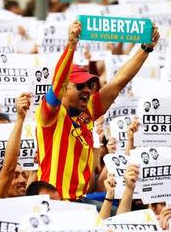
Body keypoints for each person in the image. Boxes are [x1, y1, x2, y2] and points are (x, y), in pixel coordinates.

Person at [35, 21, 159, 200]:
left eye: (89, 84)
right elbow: (57, 84)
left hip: (83, 199)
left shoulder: (88, 112)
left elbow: (119, 82)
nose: (87, 89)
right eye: (79, 85)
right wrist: (71, 45)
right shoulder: (49, 115)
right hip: (57, 203)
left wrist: (145, 48)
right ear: (64, 89)